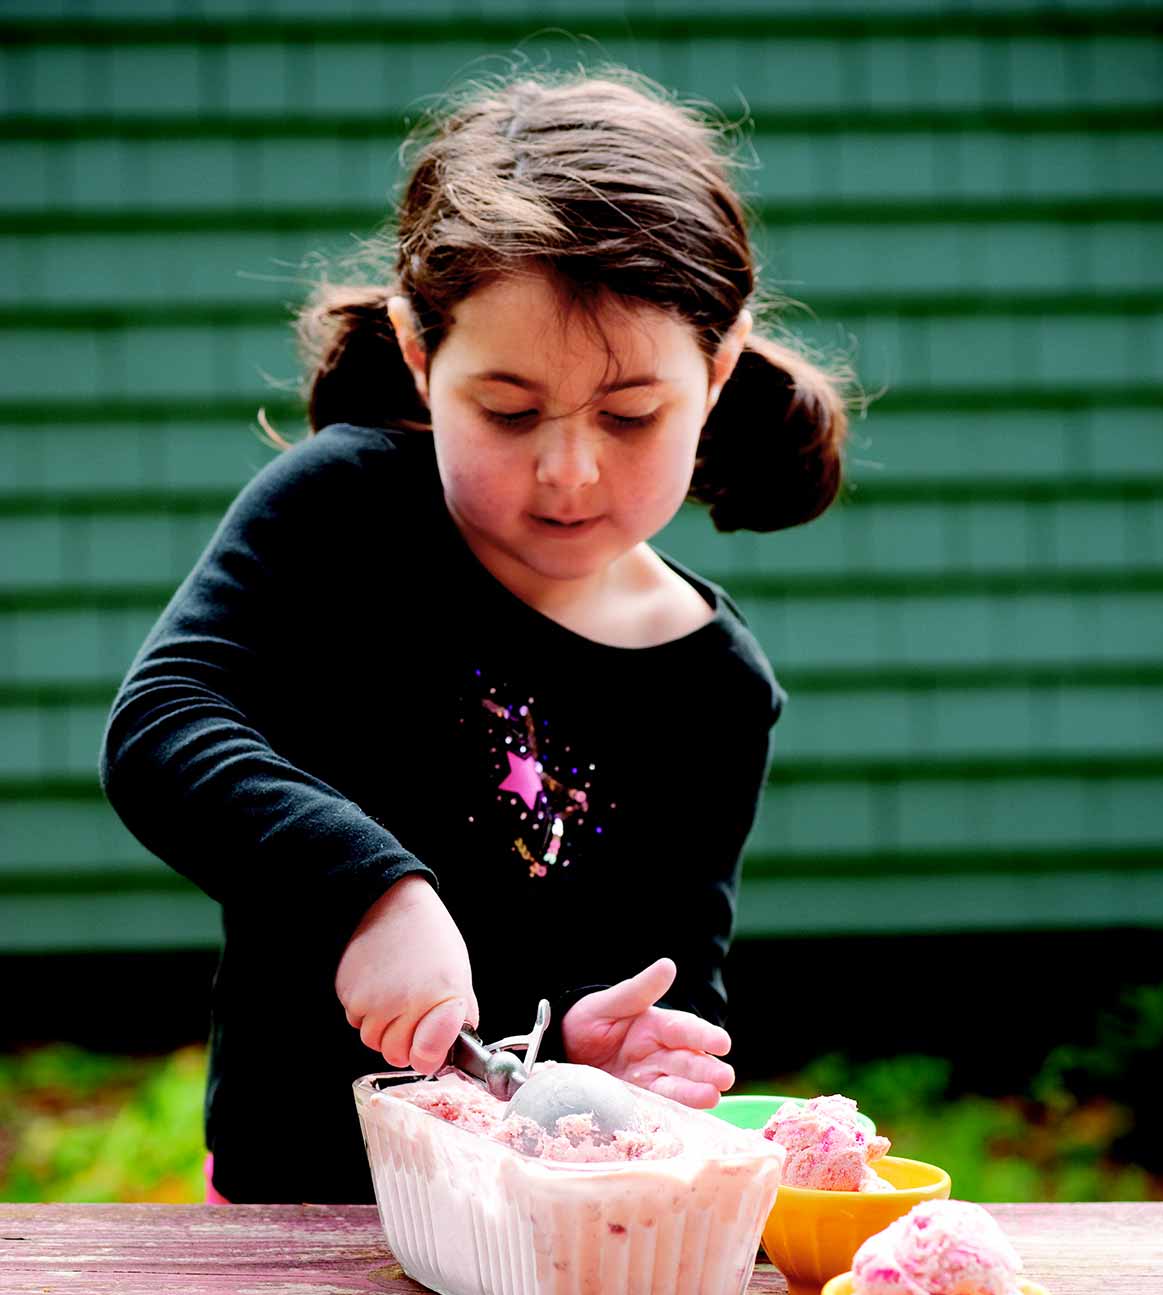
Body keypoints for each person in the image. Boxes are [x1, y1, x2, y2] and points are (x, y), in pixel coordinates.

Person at [101, 69, 848, 1203]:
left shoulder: (713, 686)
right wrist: (369, 894)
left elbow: (672, 988)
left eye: (630, 415)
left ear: (719, 367)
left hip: (531, 1243)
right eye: (506, 410)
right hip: (290, 1218)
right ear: (417, 354)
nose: (568, 469)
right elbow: (163, 726)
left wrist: (616, 1071)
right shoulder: (344, 509)